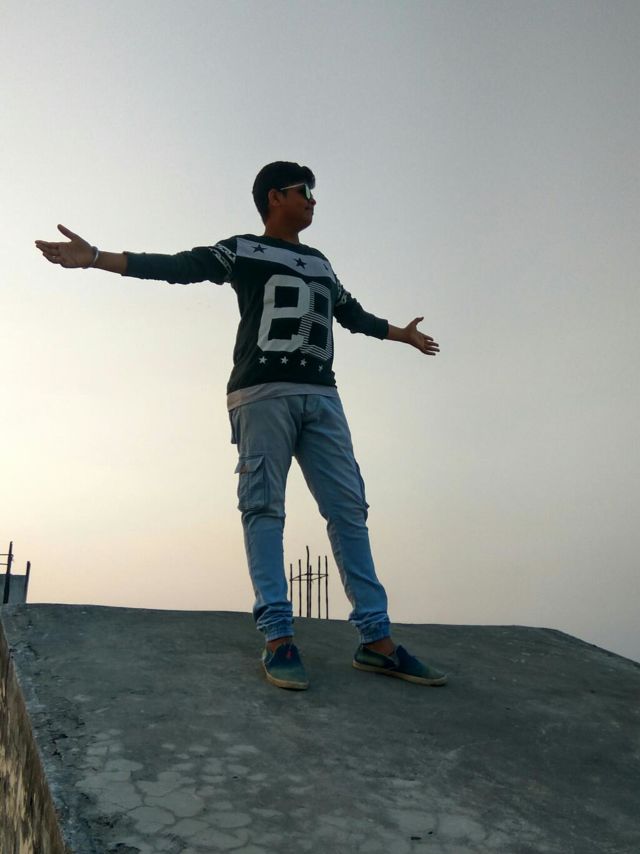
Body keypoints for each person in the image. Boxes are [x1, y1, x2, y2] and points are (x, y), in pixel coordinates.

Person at [35, 160, 447, 690]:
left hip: (323, 399)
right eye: (304, 191)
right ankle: (278, 637)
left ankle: (377, 641)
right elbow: (179, 266)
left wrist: (401, 335)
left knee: (349, 509)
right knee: (264, 508)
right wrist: (96, 258)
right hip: (260, 396)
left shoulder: (321, 262)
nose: (313, 200)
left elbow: (351, 314)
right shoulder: (243, 249)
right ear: (275, 197)